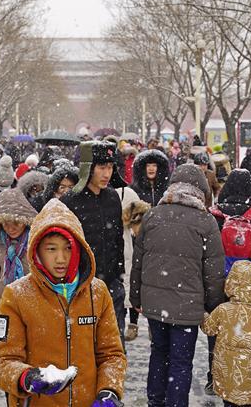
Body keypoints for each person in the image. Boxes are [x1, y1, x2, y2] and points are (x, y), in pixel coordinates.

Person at [0, 199, 127, 407]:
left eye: (68, 248)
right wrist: (27, 377)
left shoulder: (97, 292)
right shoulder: (16, 295)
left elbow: (112, 355)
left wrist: (109, 391)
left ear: (79, 249)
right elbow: (1, 363)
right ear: (36, 250)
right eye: (51, 249)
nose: (61, 258)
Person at [131, 164, 226, 407]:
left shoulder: (153, 215)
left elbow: (138, 261)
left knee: (158, 352)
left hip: (155, 304)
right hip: (187, 307)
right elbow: (213, 272)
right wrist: (212, 304)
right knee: (181, 362)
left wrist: (136, 297)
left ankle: (155, 401)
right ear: (200, 191)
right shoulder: (206, 222)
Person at [62, 141, 128, 344]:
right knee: (83, 347)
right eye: (101, 167)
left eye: (110, 167)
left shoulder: (113, 197)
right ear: (88, 168)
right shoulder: (70, 201)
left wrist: (118, 275)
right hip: (80, 286)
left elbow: (118, 239)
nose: (107, 173)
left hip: (111, 285)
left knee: (114, 345)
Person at [201, 260, 251, 406]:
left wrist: (202, 313)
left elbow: (208, 328)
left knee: (229, 403)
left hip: (226, 378)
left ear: (230, 282)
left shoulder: (223, 310)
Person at [0, 188, 37, 324]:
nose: (10, 229)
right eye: (6, 223)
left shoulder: (36, 239)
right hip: (5, 301)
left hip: (33, 302)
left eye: (16, 223)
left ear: (26, 221)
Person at [121, 199, 150, 342]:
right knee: (132, 294)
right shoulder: (128, 233)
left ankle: (151, 325)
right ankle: (133, 324)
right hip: (131, 266)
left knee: (146, 294)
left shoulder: (149, 232)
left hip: (144, 268)